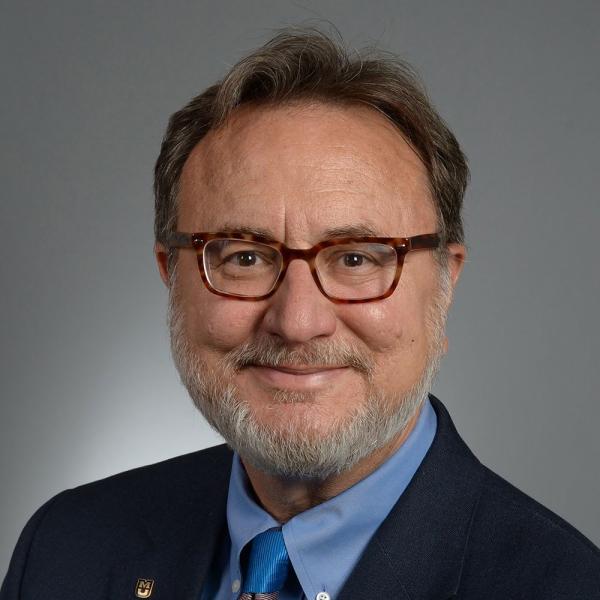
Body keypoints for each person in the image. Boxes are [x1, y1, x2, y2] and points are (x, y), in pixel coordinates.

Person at [2, 28, 599, 600]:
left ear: (445, 282)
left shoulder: (565, 586)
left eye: (356, 258)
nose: (297, 321)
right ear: (170, 274)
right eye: (244, 257)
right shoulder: (65, 551)